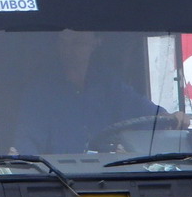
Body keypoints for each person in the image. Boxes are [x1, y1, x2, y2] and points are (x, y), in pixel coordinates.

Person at [13, 30, 176, 154]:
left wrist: (170, 118)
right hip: (59, 181)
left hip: (110, 176)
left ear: (96, 42)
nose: (69, 49)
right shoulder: (40, 92)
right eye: (64, 42)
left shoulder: (109, 86)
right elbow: (27, 146)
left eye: (77, 43)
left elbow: (147, 115)